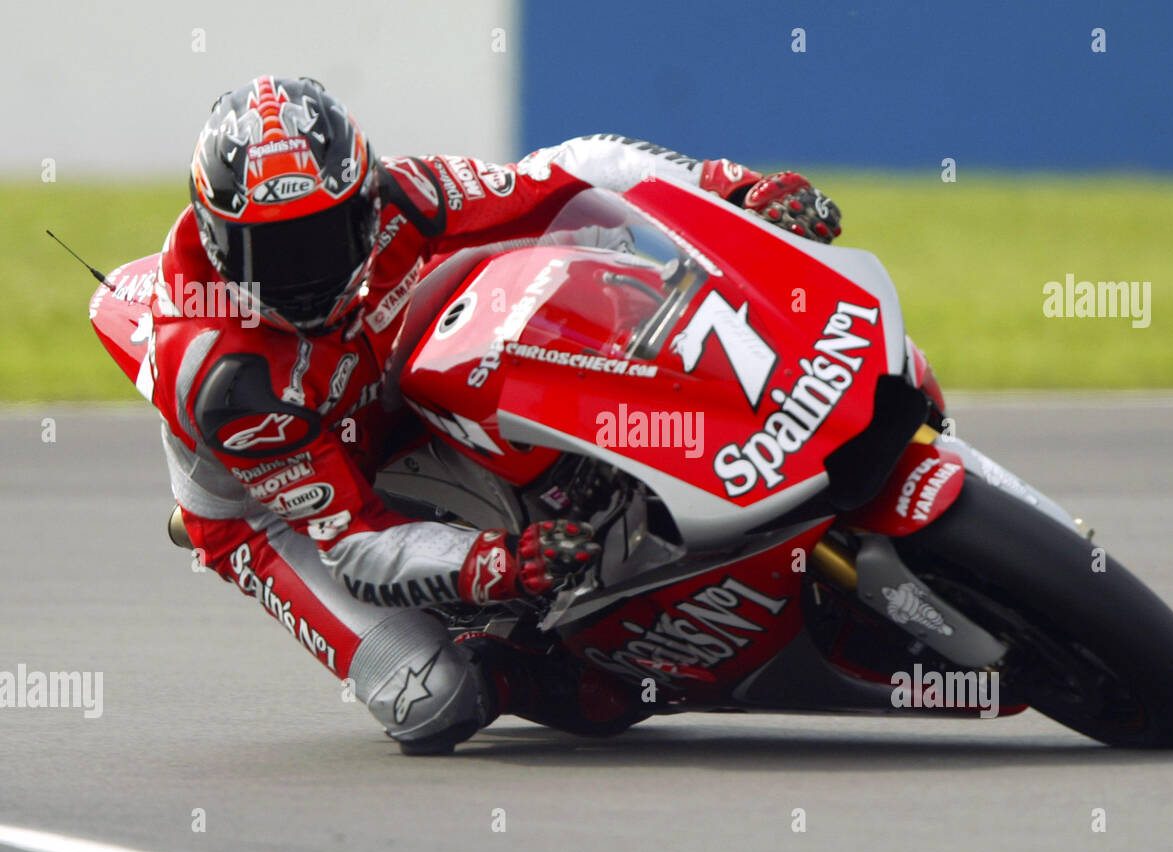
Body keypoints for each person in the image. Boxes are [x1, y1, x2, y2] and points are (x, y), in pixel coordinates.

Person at [151, 74, 843, 754]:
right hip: (278, 503)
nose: (305, 275)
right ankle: (508, 659)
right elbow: (356, 543)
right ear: (217, 244)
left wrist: (734, 190)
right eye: (271, 254)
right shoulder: (232, 383)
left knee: (562, 228)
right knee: (429, 698)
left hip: (376, 375)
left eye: (324, 237)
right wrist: (502, 565)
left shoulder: (402, 196)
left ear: (363, 201)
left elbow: (566, 174)